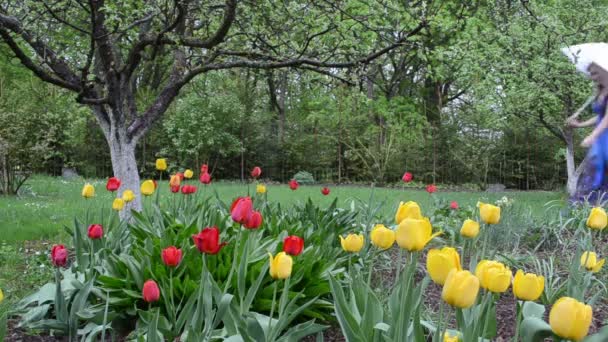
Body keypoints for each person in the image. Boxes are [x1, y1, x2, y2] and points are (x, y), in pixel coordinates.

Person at [567, 62, 608, 203]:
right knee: (591, 179)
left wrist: (592, 135)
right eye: (591, 73)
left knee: (597, 177)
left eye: (595, 72)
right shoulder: (601, 91)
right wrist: (579, 124)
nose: (592, 76)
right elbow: (600, 117)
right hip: (600, 141)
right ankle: (587, 216)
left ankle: (593, 214)